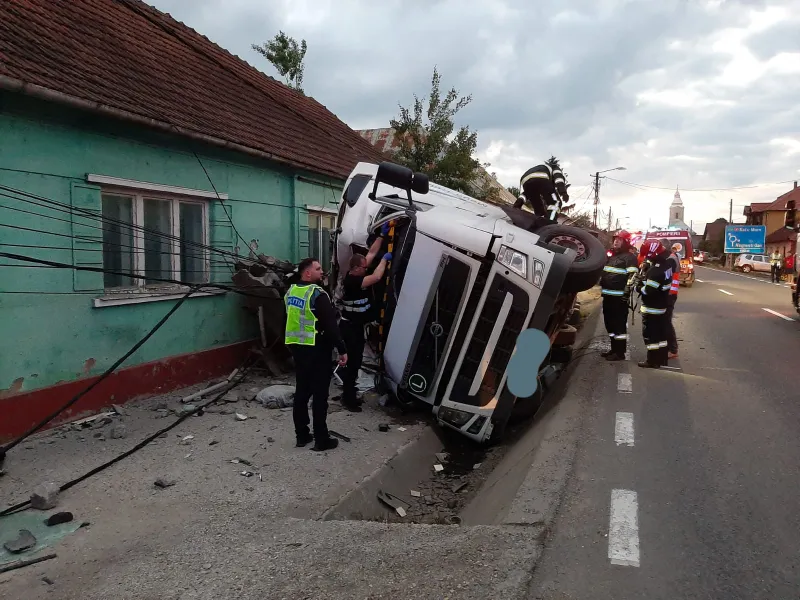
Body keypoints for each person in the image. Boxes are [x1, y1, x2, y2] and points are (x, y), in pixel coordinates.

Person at [284, 257, 347, 451]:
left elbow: (287, 318)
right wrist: (342, 349)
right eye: (318, 269)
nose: (322, 272)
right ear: (307, 273)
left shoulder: (290, 292)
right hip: (317, 347)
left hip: (297, 347)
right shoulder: (317, 294)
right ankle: (322, 439)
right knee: (320, 395)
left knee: (302, 392)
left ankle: (302, 435)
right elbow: (330, 325)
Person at [338, 226, 393, 411]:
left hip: (357, 326)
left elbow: (370, 253)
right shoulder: (352, 281)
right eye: (363, 267)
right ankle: (348, 399)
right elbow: (377, 277)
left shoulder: (357, 271)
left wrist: (382, 236)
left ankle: (350, 393)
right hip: (350, 328)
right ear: (355, 268)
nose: (366, 268)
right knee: (352, 364)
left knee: (355, 362)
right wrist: (385, 260)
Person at [599, 230, 639, 361]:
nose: (616, 241)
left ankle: (620, 352)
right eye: (615, 239)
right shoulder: (612, 256)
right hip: (608, 296)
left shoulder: (629, 257)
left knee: (618, 325)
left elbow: (633, 276)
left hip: (619, 298)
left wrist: (627, 292)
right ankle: (614, 349)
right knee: (609, 324)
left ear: (625, 242)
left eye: (619, 240)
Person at [636, 241, 673, 369]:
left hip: (652, 308)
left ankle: (652, 361)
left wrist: (638, 286)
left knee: (650, 336)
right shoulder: (666, 264)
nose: (646, 257)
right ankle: (661, 358)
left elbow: (648, 291)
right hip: (661, 306)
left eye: (648, 255)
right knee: (660, 335)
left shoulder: (655, 271)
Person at [665, 244, 681, 359]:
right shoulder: (672, 257)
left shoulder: (670, 259)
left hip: (669, 294)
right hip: (671, 293)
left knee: (666, 321)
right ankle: (670, 348)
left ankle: (672, 349)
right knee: (665, 321)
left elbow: (665, 276)